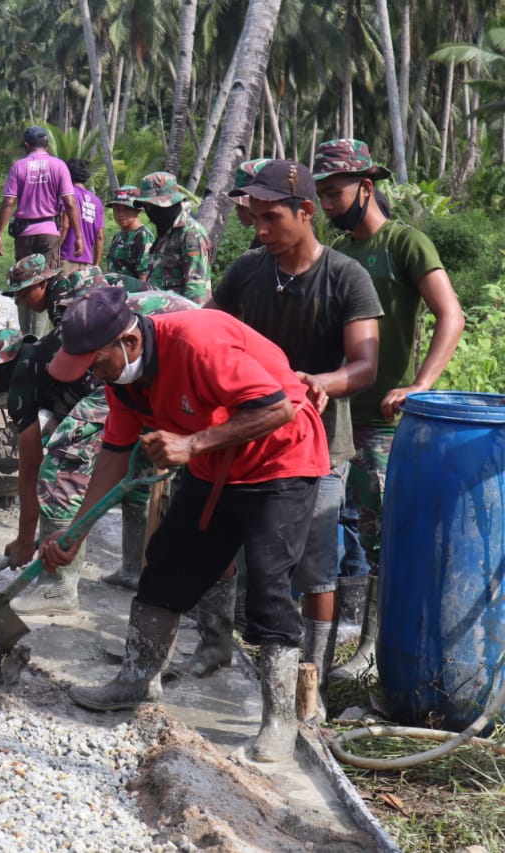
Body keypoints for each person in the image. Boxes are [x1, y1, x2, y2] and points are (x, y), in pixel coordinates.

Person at [47, 287, 329, 763]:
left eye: (96, 364)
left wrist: (192, 444)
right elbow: (114, 453)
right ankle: (137, 680)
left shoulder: (198, 342)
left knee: (268, 588)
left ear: (128, 343)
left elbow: (278, 407)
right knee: (165, 566)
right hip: (213, 465)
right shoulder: (123, 381)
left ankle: (280, 722)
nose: (92, 377)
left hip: (281, 462)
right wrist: (77, 532)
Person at [210, 159, 382, 715]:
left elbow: (365, 365)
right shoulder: (246, 272)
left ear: (305, 212)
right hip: (247, 436)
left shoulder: (345, 277)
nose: (259, 230)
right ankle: (214, 649)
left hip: (318, 447)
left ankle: (314, 683)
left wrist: (324, 382)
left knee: (315, 567)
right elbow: (210, 330)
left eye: (271, 217)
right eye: (254, 218)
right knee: (225, 543)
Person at [313, 138, 465, 680]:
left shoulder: (405, 244)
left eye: (335, 193)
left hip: (385, 418)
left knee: (385, 532)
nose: (328, 204)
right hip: (337, 413)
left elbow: (451, 315)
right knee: (331, 526)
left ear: (366, 186)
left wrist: (421, 384)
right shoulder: (336, 254)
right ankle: (331, 649)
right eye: (322, 195)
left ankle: (376, 651)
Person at [0, 262, 195, 613]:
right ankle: (132, 569)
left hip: (135, 355)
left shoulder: (24, 373)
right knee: (138, 468)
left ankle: (57, 589)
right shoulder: (48, 350)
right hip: (149, 357)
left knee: (61, 465)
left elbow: (32, 468)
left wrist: (23, 540)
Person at [0, 125, 83, 337]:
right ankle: (40, 336)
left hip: (24, 234)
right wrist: (77, 235)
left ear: (27, 146)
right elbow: (70, 202)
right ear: (47, 145)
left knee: (23, 283)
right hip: (49, 232)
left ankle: (26, 336)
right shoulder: (59, 166)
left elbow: (8, 202)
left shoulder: (19, 167)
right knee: (46, 283)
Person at [133, 171, 212, 304]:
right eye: (147, 207)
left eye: (154, 206)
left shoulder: (190, 233)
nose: (150, 211)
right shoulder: (165, 231)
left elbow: (196, 290)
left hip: (180, 316)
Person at [59, 158, 104, 273]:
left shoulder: (68, 195)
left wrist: (55, 252)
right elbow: (100, 236)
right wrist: (96, 264)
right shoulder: (96, 201)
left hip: (66, 257)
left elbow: (65, 225)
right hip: (86, 263)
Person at [104, 186, 153, 279]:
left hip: (134, 292)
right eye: (116, 209)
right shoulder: (118, 236)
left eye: (126, 209)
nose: (120, 214)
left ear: (137, 210)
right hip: (115, 291)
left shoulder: (142, 236)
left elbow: (144, 276)